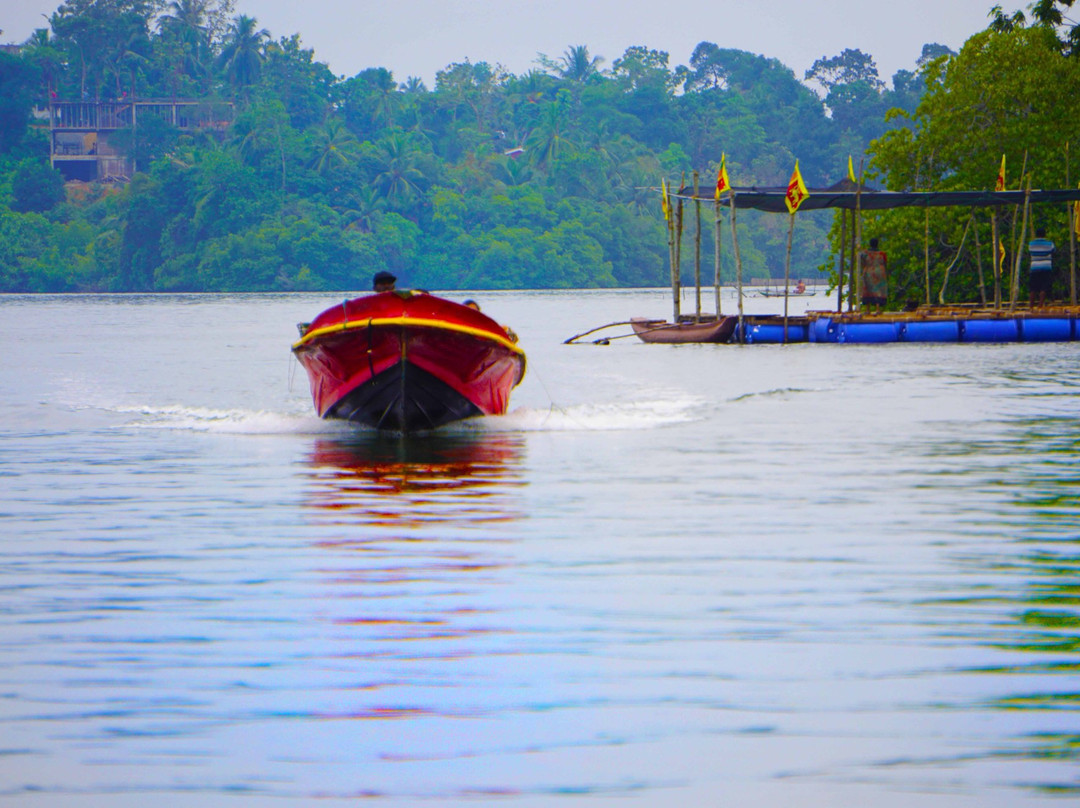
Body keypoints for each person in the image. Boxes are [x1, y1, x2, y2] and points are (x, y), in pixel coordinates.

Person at [1028, 227, 1055, 307]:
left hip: (1034, 268)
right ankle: (1040, 304)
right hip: (1046, 267)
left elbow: (1031, 251)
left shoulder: (1031, 244)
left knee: (1033, 287)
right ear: (1045, 234)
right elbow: (1053, 250)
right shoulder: (1050, 243)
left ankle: (1031, 306)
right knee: (1044, 286)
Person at [859, 237, 888, 311]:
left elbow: (862, 262)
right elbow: (885, 263)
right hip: (879, 272)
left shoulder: (865, 253)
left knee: (868, 290)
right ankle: (877, 309)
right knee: (878, 290)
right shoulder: (882, 254)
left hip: (868, 272)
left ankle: (867, 309)